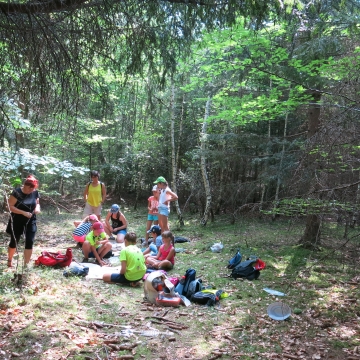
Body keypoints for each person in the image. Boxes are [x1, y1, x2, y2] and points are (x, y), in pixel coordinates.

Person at [6, 175, 41, 267]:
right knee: (14, 241)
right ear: (24, 185)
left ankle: (26, 265)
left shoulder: (35, 192)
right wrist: (23, 212)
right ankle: (9, 260)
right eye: (29, 189)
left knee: (30, 241)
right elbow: (10, 207)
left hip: (31, 220)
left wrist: (37, 208)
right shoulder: (16, 193)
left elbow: (37, 203)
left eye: (32, 189)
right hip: (17, 220)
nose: (30, 191)